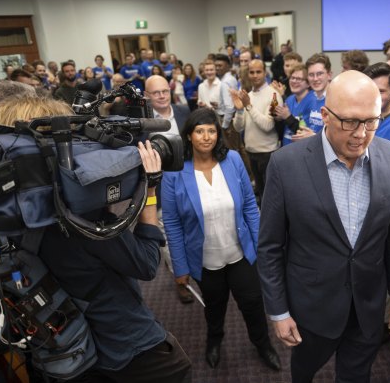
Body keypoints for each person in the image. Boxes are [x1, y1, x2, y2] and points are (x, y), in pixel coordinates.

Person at [258, 70, 390, 383]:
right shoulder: (286, 164)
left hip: (368, 305)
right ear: (325, 115)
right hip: (312, 307)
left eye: (371, 121)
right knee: (303, 372)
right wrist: (279, 311)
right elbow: (270, 246)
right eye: (350, 121)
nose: (361, 133)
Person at [39, 139, 192, 383]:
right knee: (179, 368)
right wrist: (149, 189)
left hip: (71, 345)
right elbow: (148, 263)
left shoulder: (28, 215)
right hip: (124, 342)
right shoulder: (86, 223)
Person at [161, 108, 281, 371]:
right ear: (189, 136)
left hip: (241, 254)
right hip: (204, 259)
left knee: (252, 305)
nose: (207, 137)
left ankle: (263, 345)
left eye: (212, 130)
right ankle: (214, 340)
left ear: (218, 134)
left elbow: (250, 204)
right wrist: (179, 267)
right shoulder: (174, 172)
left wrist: (262, 246)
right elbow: (171, 222)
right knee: (214, 307)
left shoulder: (234, 160)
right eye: (200, 131)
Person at [231, 59, 283, 203]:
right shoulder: (249, 96)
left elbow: (267, 126)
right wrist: (240, 110)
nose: (255, 75)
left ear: (265, 73)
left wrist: (248, 106)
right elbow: (238, 127)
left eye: (258, 72)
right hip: (251, 152)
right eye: (251, 72)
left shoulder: (274, 95)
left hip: (268, 153)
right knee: (260, 193)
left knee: (271, 196)